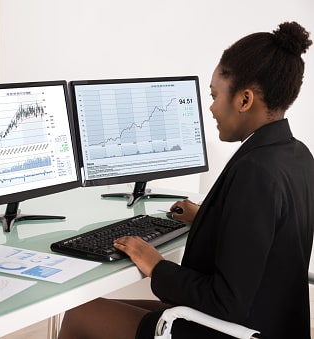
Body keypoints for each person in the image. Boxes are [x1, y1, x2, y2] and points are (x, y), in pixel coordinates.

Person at [58, 21, 314, 339]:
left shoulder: (256, 172)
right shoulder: (296, 154)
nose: (211, 107)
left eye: (215, 95)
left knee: (80, 315)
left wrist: (155, 264)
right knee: (103, 309)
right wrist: (208, 218)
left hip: (235, 330)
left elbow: (226, 302)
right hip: (268, 323)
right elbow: (265, 244)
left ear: (245, 100)